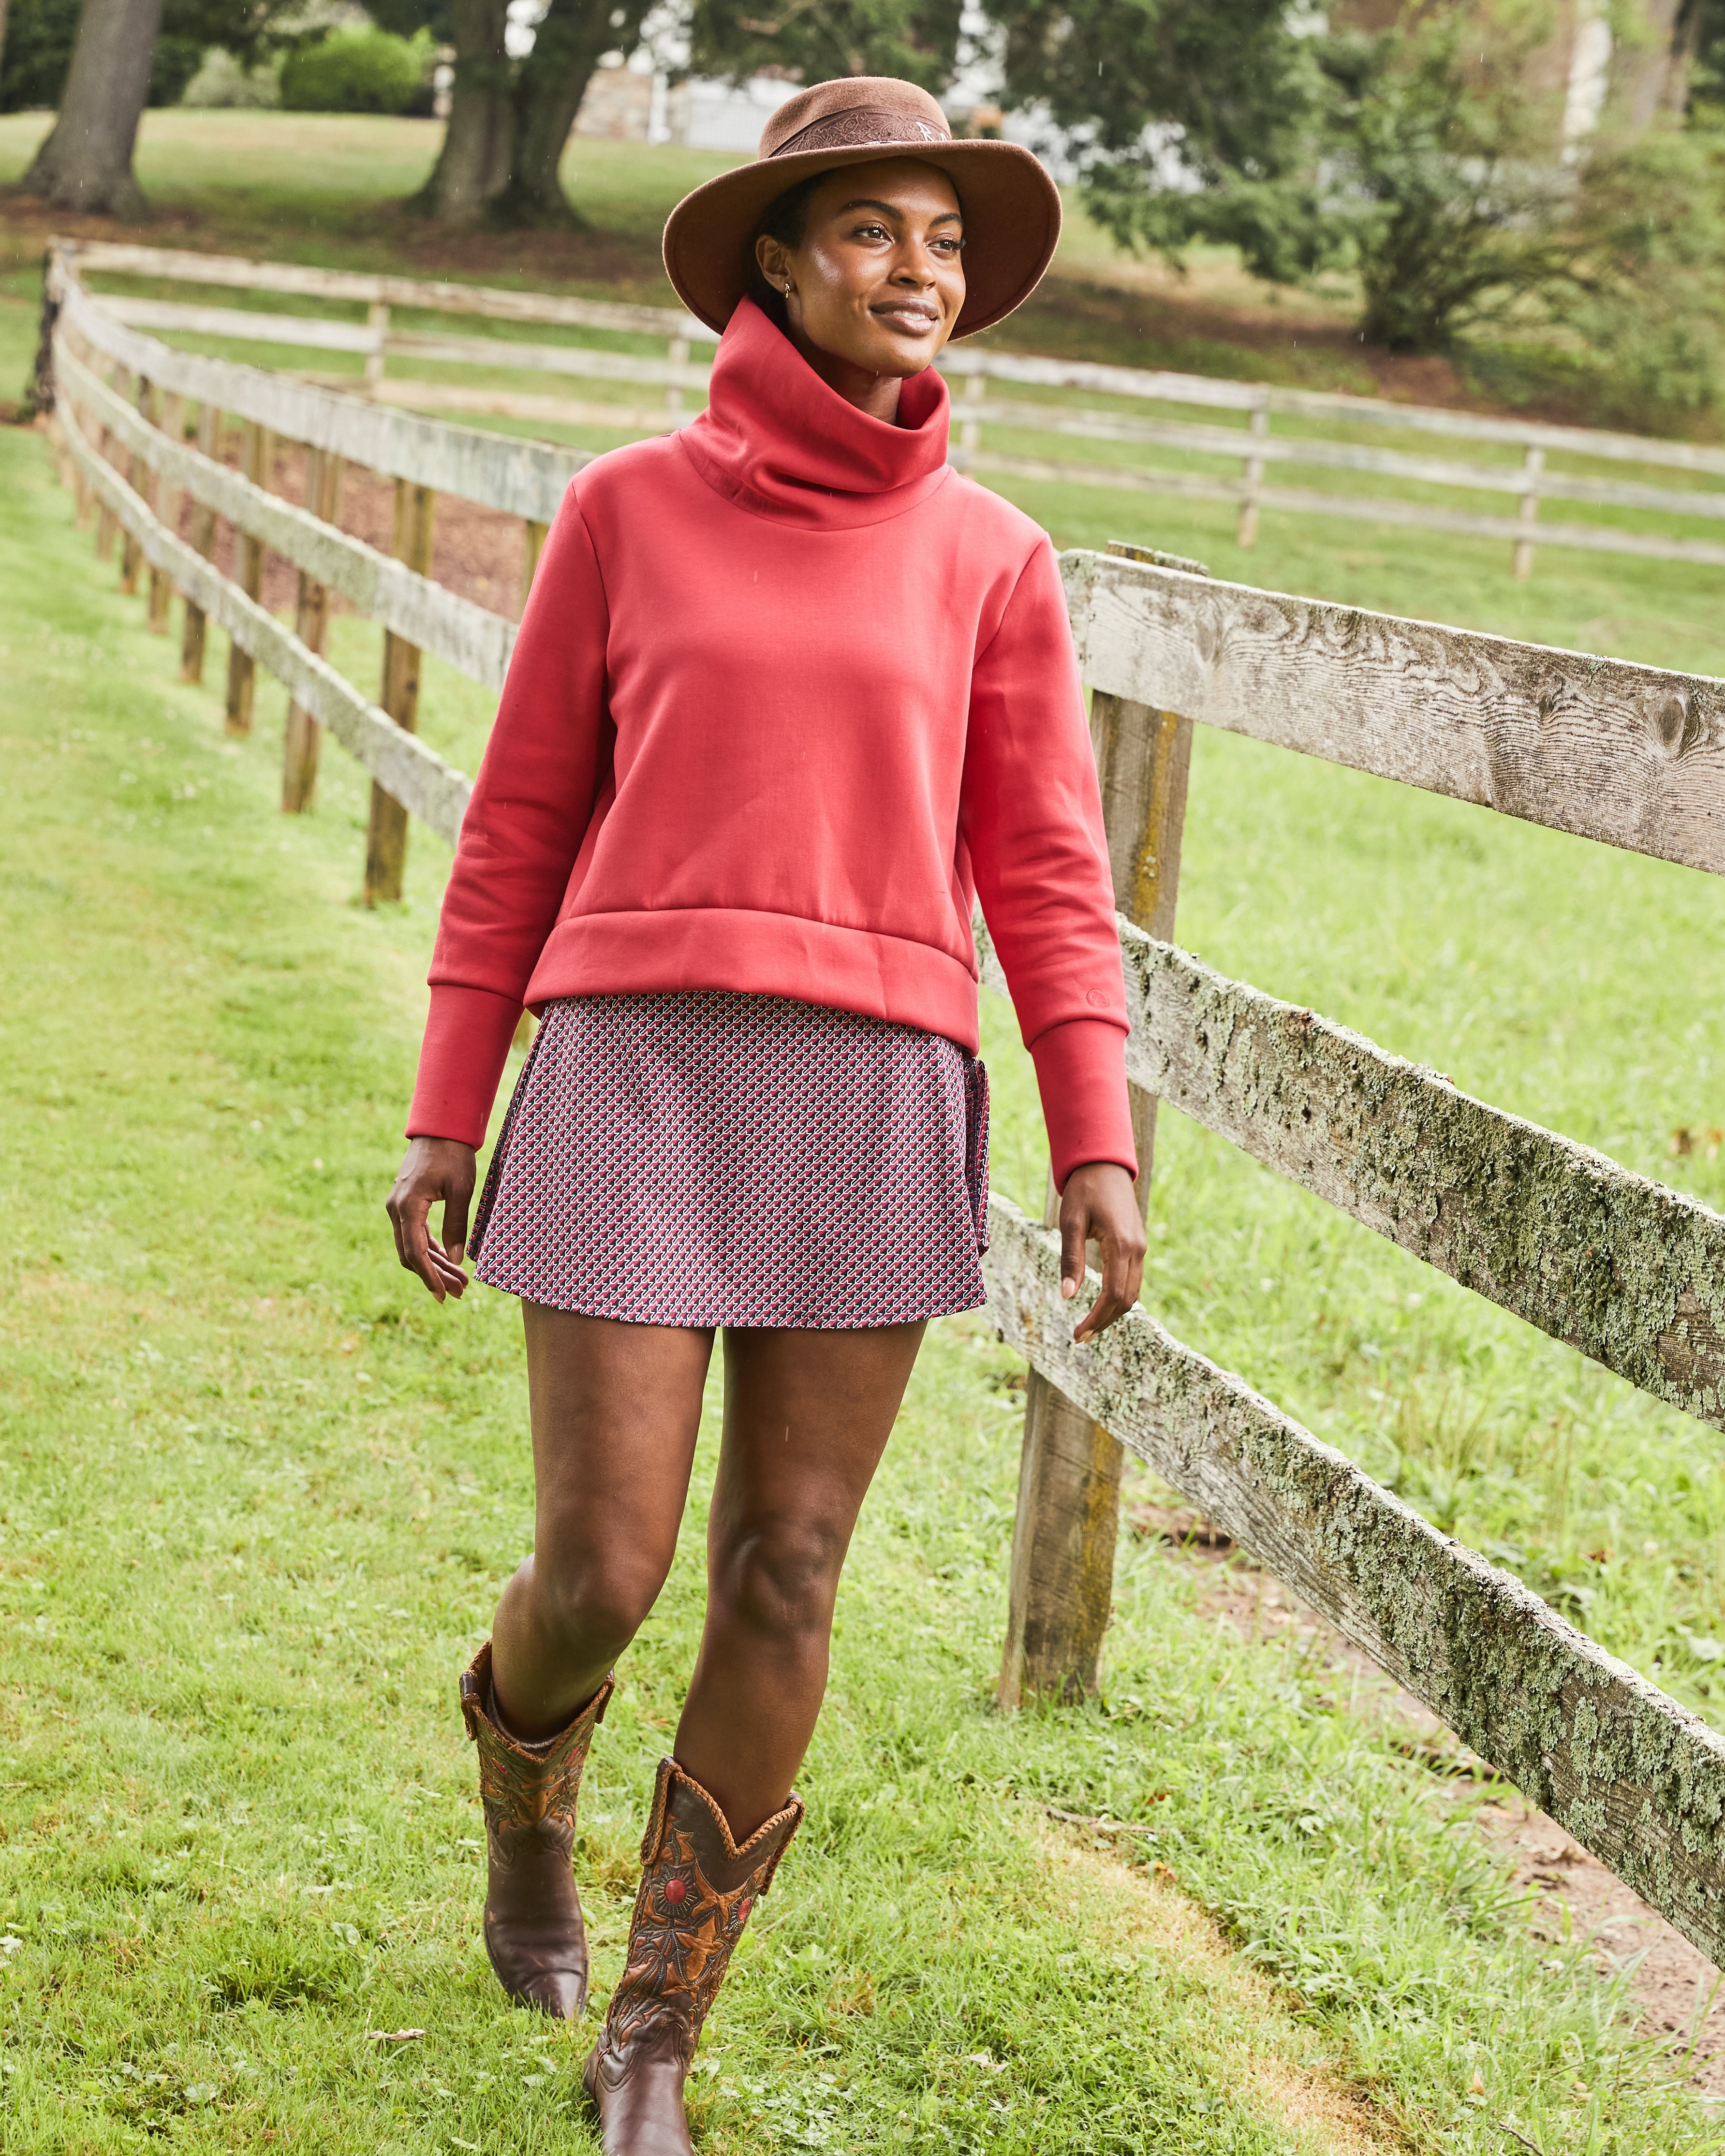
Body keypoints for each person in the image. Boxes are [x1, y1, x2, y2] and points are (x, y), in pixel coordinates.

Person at [385, 73, 1146, 2156]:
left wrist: (1097, 1133)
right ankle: (523, 1779)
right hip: (633, 1066)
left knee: (788, 1567)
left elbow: (1048, 869)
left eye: (953, 245)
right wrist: (451, 1104)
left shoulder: (994, 556)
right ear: (781, 259)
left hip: (877, 1079)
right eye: (883, 230)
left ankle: (654, 2032)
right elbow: (520, 819)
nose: (927, 273)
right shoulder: (627, 508)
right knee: (600, 1565)